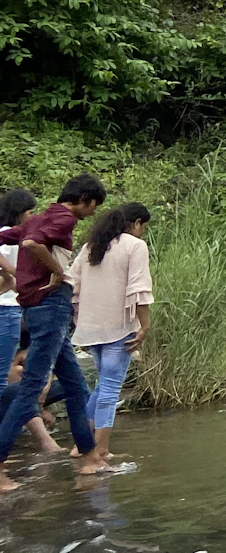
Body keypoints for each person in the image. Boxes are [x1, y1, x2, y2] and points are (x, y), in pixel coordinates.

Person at [0, 176, 108, 491]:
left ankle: (91, 459)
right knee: (31, 389)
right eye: (94, 205)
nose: (92, 212)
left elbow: (17, 236)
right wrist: (58, 271)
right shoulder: (62, 218)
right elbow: (32, 244)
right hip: (50, 306)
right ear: (85, 199)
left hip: (38, 309)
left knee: (75, 385)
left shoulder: (43, 216)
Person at [70, 202, 153, 463]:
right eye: (143, 227)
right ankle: (101, 449)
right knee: (109, 389)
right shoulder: (134, 246)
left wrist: (76, 320)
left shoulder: (90, 247)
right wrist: (145, 325)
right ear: (137, 223)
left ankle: (81, 445)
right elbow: (138, 290)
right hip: (118, 327)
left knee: (103, 384)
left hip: (90, 327)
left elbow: (72, 285)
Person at [0, 188, 33, 382]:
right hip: (8, 308)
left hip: (10, 307)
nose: (32, 217)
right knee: (3, 372)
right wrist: (16, 276)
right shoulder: (9, 235)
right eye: (30, 213)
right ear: (20, 212)